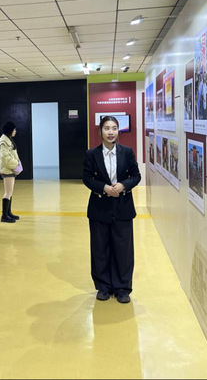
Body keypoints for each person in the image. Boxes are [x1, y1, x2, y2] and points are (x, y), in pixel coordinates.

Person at [82, 116, 141, 304]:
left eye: (114, 128)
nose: (110, 132)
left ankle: (122, 288)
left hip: (123, 207)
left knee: (123, 249)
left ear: (118, 130)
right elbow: (87, 178)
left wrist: (123, 185)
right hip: (99, 208)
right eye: (107, 128)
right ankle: (103, 286)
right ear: (100, 131)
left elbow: (136, 176)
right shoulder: (92, 154)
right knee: (100, 248)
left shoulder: (127, 152)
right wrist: (103, 188)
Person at [0, 121, 20, 223]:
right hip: (7, 169)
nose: (15, 131)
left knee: (10, 191)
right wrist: (16, 164)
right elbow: (5, 158)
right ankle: (4, 215)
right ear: (10, 130)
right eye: (14, 129)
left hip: (10, 168)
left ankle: (8, 213)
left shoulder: (8, 139)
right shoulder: (3, 142)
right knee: (8, 192)